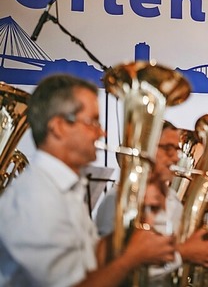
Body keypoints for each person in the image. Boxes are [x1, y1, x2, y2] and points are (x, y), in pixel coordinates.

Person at [0, 74, 175, 287]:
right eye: (92, 121)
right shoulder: (36, 197)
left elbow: (91, 257)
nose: (101, 132)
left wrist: (134, 230)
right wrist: (132, 257)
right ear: (59, 127)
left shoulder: (66, 189)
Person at [95, 120, 208, 285]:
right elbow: (117, 270)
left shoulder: (173, 201)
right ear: (145, 150)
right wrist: (185, 253)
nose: (176, 157)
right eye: (168, 148)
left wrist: (204, 249)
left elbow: (182, 254)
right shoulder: (117, 201)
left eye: (177, 149)